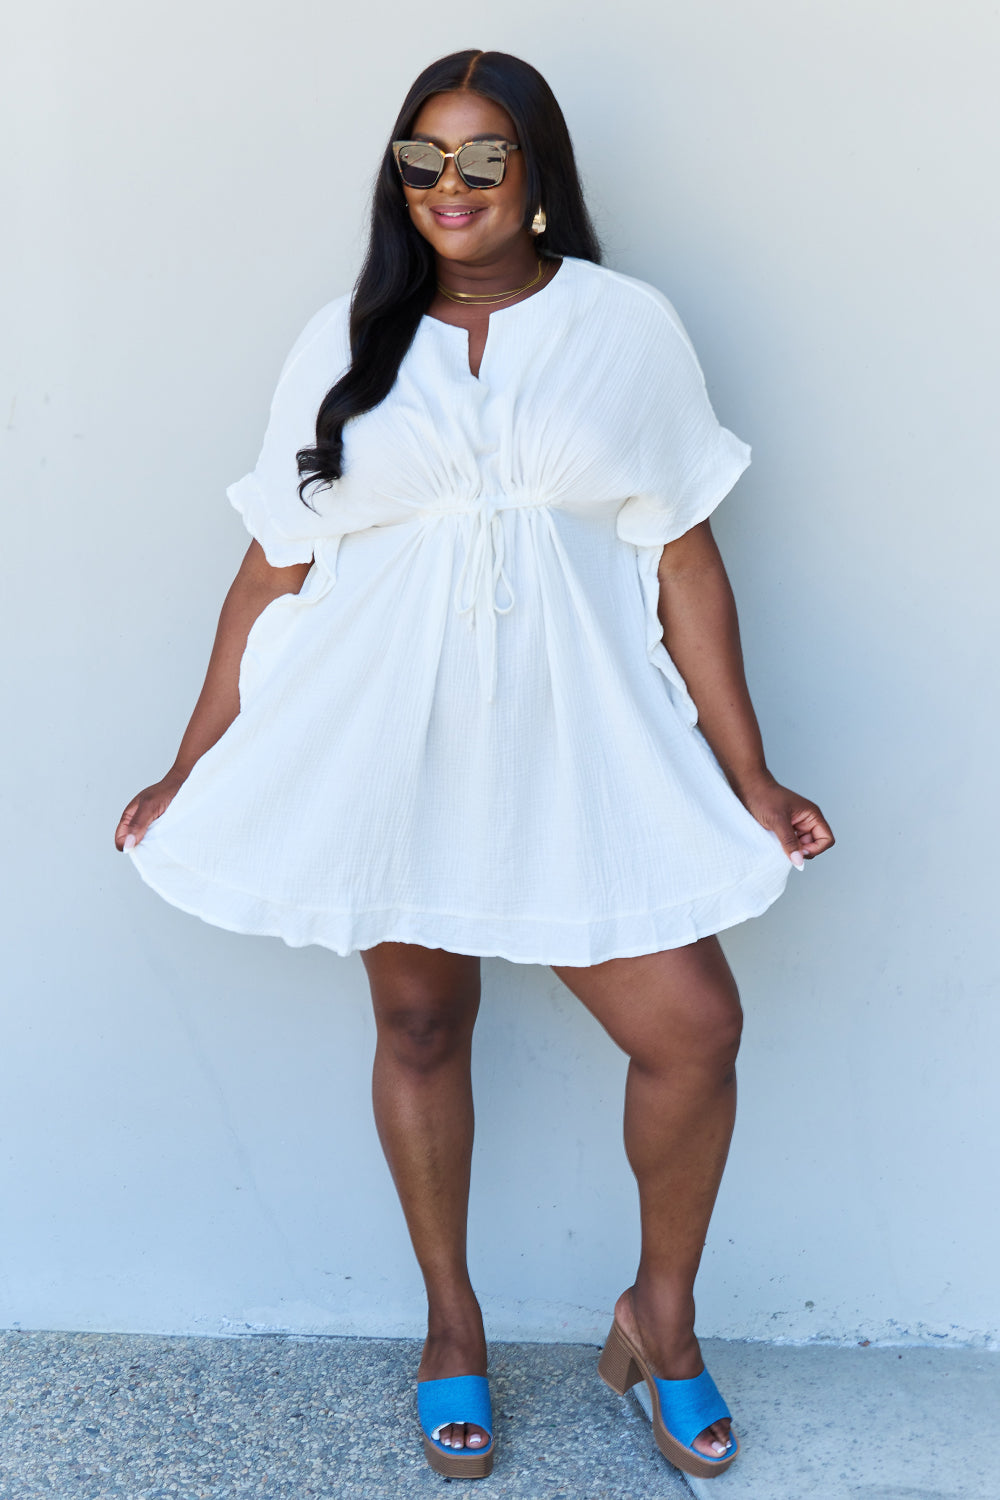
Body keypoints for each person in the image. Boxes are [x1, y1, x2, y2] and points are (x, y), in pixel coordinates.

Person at [115, 48, 834, 1482]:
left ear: (541, 178)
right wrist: (191, 759)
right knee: (422, 1030)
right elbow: (271, 570)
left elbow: (684, 557)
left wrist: (753, 777)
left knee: (691, 1028)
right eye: (423, 160)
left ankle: (661, 1320)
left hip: (583, 751)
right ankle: (453, 1325)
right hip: (386, 745)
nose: (451, 187)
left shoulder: (629, 330)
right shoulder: (347, 338)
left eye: (485, 157)